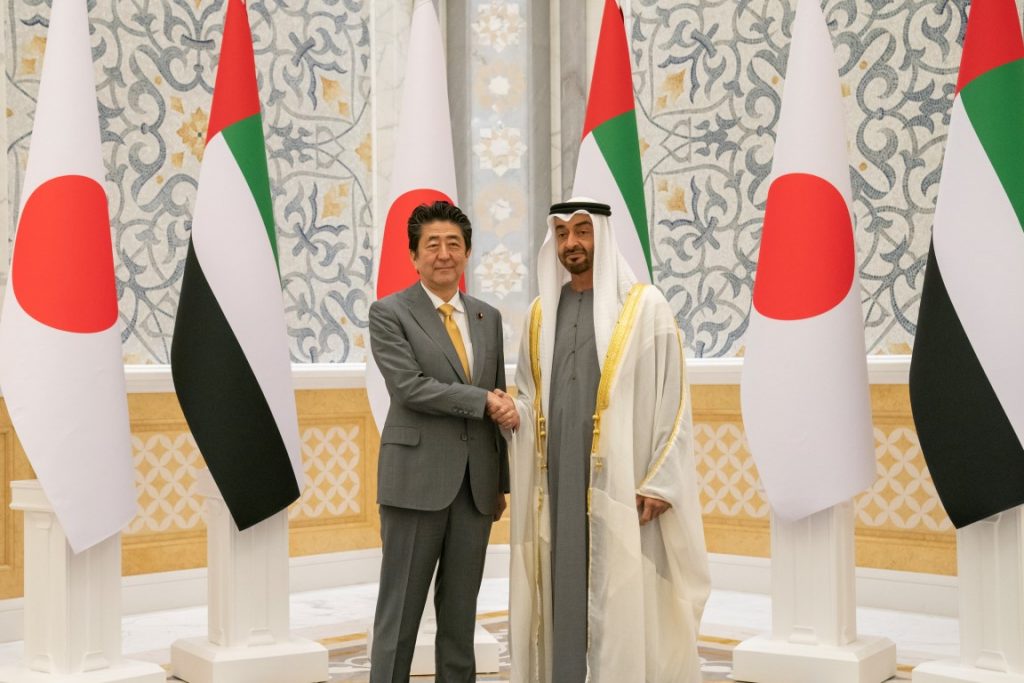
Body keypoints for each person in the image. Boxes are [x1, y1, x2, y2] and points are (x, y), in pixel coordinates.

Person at [504, 198, 710, 683]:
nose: (571, 243)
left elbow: (674, 399)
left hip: (622, 482)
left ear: (602, 235)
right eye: (561, 234)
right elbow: (531, 393)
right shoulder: (541, 313)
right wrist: (513, 409)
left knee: (621, 589)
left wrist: (662, 480)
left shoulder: (645, 308)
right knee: (561, 584)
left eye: (582, 231)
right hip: (556, 479)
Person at [368, 200, 519, 683]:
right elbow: (408, 387)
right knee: (400, 616)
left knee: (460, 616)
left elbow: (495, 388)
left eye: (454, 244)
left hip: (475, 491)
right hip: (415, 483)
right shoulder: (389, 313)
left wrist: (499, 483)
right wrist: (480, 402)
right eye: (431, 244)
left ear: (468, 253)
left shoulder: (487, 317)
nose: (443, 253)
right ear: (414, 256)